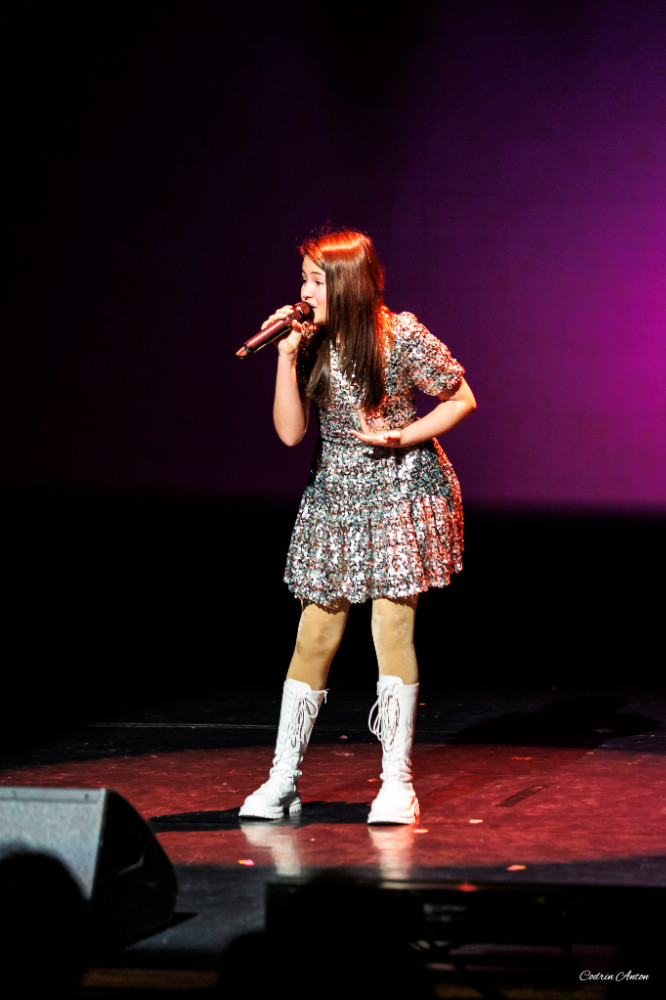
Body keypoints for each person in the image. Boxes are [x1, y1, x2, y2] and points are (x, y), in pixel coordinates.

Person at [239, 228, 476, 825]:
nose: (304, 292)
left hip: (400, 489)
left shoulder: (400, 335)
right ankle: (282, 778)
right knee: (314, 635)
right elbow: (290, 433)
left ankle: (397, 782)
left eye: (316, 281)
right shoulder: (309, 341)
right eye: (303, 279)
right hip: (334, 496)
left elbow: (460, 397)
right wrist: (286, 356)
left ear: (347, 283)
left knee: (391, 630)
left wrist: (403, 434)